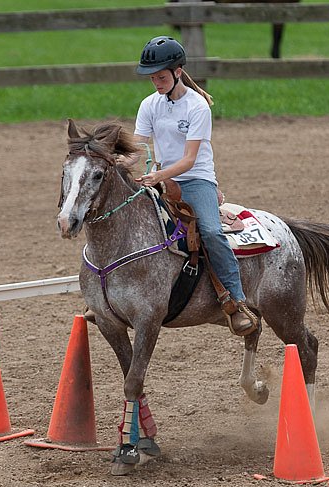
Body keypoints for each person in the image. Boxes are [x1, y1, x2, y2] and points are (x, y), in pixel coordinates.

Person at [128, 35, 258, 336]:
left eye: (161, 77)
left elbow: (189, 160)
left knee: (211, 232)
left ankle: (237, 299)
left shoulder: (197, 106)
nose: (156, 83)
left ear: (177, 71)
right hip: (161, 177)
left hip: (195, 179)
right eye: (152, 78)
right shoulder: (149, 105)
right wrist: (116, 162)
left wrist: (158, 177)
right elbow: (137, 146)